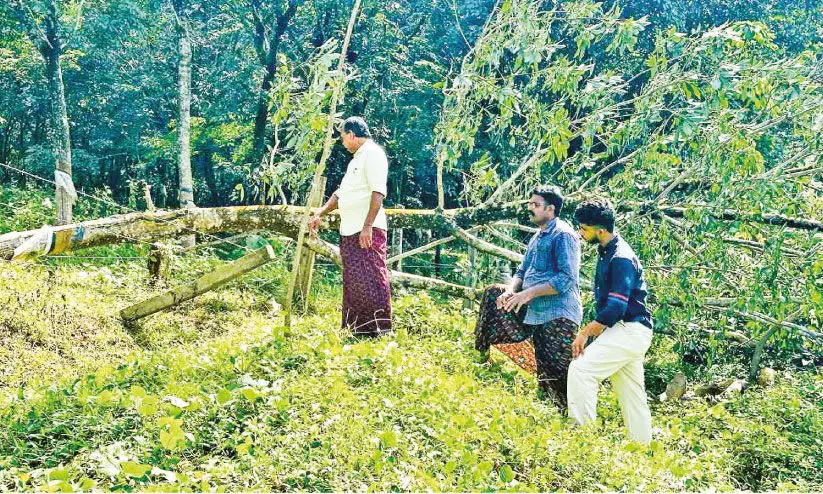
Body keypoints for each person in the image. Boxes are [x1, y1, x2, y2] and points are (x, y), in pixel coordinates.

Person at [474, 185, 582, 407]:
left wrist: (528, 294)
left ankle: (567, 421)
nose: (530, 208)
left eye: (536, 205)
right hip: (533, 309)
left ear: (551, 209)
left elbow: (566, 279)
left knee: (553, 377)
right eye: (529, 203)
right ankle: (480, 358)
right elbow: (522, 272)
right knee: (494, 294)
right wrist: (512, 290)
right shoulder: (537, 236)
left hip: (557, 313)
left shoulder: (563, 235)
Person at [568, 198, 654, 443]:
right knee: (631, 394)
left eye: (584, 228)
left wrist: (585, 333)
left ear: (601, 230)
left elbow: (617, 306)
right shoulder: (608, 251)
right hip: (627, 331)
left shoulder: (620, 257)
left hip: (630, 328)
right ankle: (643, 449)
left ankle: (581, 439)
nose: (581, 233)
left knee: (581, 370)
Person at [309, 116, 392, 336]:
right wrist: (320, 212)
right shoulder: (356, 159)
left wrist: (368, 226)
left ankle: (380, 329)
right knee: (354, 280)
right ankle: (358, 329)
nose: (343, 142)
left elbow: (378, 192)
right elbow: (340, 193)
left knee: (373, 277)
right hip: (350, 229)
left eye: (343, 136)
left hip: (367, 230)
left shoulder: (373, 154)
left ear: (352, 134)